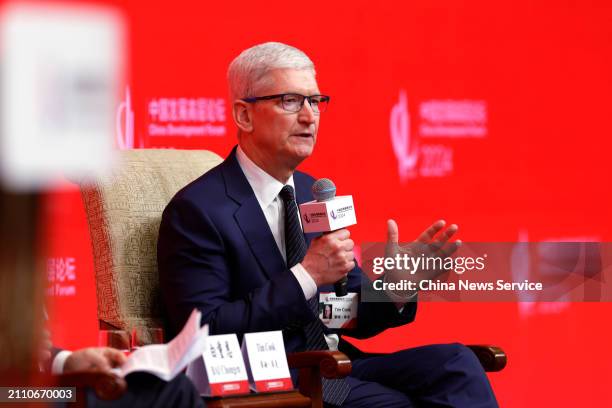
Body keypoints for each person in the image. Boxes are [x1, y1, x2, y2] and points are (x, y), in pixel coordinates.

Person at [158, 42, 498, 407]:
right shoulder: (198, 210)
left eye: (315, 101)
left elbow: (351, 314)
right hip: (276, 378)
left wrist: (396, 289)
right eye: (290, 101)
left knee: (457, 364)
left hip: (338, 366)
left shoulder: (313, 191)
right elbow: (204, 332)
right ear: (244, 116)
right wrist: (307, 276)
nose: (309, 116)